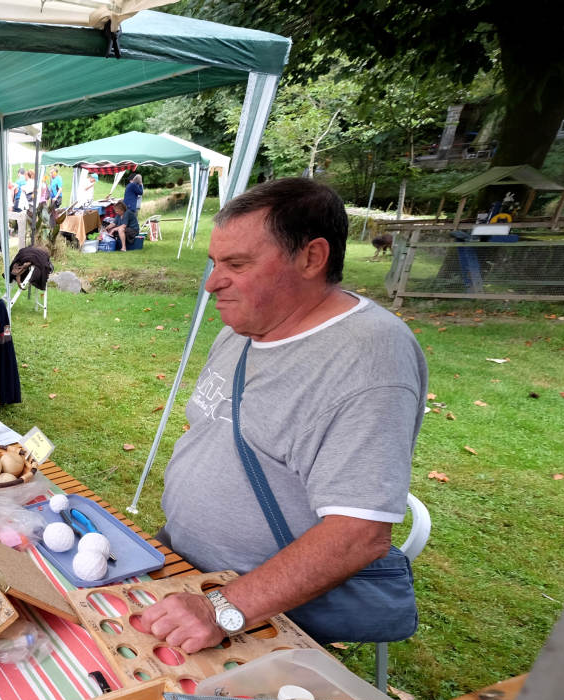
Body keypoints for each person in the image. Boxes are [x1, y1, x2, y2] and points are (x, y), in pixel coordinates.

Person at [137, 178, 427, 652]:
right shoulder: (245, 327)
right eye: (215, 263)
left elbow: (360, 534)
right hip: (182, 563)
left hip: (261, 608)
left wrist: (223, 609)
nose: (211, 283)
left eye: (236, 264)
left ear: (311, 258)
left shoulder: (369, 359)